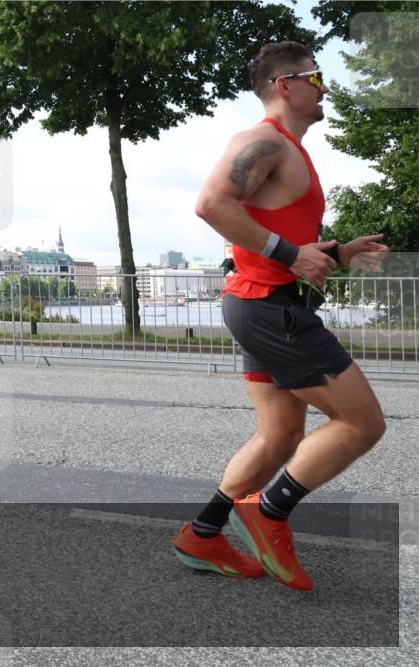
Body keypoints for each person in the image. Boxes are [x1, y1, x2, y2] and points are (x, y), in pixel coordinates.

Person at [173, 41, 389, 590]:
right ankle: (269, 512)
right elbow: (211, 205)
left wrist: (334, 253)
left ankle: (204, 532)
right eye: (317, 76)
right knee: (362, 423)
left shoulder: (286, 148)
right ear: (284, 84)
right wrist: (292, 256)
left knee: (280, 435)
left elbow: (275, 233)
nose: (326, 87)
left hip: (258, 303)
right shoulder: (263, 141)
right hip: (269, 309)